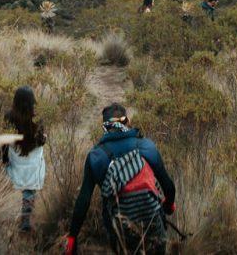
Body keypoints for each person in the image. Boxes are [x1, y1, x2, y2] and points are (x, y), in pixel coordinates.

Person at [65, 104, 176, 255]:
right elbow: (168, 186)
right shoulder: (146, 147)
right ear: (127, 122)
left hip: (121, 230)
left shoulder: (97, 157)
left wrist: (72, 237)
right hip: (153, 223)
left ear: (105, 127)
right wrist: (168, 206)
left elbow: (83, 201)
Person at [1, 86, 46, 232]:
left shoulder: (8, 116)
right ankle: (25, 220)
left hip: (16, 157)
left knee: (21, 184)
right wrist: (44, 138)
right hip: (33, 159)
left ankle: (17, 216)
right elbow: (40, 142)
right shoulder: (37, 117)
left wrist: (4, 159)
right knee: (30, 189)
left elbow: (4, 141)